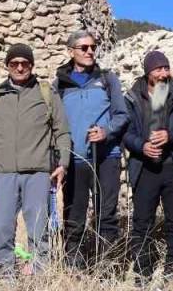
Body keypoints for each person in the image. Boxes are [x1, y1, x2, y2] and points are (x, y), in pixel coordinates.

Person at [0, 44, 71, 278]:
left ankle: (40, 277)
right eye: (14, 64)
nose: (20, 67)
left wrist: (64, 163)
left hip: (38, 173)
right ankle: (5, 277)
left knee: (38, 229)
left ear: (31, 65)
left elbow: (62, 131)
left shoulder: (46, 92)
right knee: (1, 229)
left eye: (24, 63)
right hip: (4, 173)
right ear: (7, 66)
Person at [53, 31, 127, 269]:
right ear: (71, 51)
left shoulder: (107, 79)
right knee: (74, 216)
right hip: (75, 158)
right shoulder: (59, 85)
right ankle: (74, 267)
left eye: (93, 47)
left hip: (107, 156)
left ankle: (107, 268)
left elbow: (122, 114)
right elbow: (54, 123)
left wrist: (106, 131)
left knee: (106, 215)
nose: (90, 52)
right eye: (83, 47)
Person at [122, 50, 173, 284]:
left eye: (166, 68)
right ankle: (142, 273)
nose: (163, 73)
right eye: (158, 69)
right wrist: (142, 146)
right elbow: (126, 132)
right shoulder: (133, 97)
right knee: (142, 222)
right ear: (148, 73)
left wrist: (171, 136)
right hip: (145, 168)